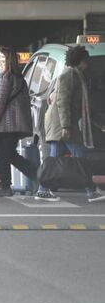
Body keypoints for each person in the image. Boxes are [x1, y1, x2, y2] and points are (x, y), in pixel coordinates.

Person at [36, 45, 105, 203]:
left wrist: (100, 123)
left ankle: (42, 189)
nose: (88, 64)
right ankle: (91, 191)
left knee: (54, 158)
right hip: (62, 123)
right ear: (80, 61)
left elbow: (84, 107)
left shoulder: (78, 76)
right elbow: (63, 102)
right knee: (80, 156)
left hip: (63, 122)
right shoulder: (68, 76)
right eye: (86, 61)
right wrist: (66, 126)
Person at [0, 46, 37, 196]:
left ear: (9, 60)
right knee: (10, 155)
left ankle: (5, 187)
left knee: (2, 156)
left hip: (4, 125)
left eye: (2, 58)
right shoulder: (18, 78)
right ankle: (38, 177)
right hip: (15, 125)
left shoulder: (4, 78)